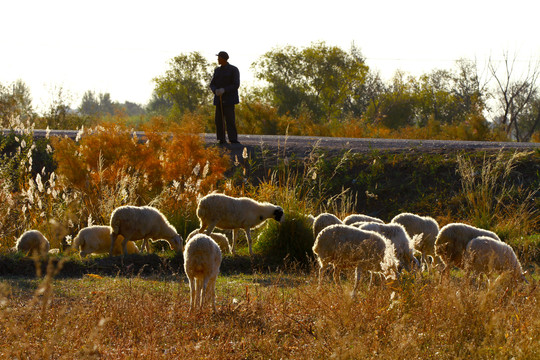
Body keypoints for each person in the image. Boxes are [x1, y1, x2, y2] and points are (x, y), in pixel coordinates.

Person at [210, 51, 240, 145]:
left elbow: (236, 84)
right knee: (218, 120)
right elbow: (212, 84)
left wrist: (224, 90)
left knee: (230, 120)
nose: (218, 59)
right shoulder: (217, 70)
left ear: (223, 59)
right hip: (218, 99)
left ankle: (233, 139)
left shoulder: (233, 70)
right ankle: (221, 139)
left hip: (229, 100)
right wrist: (215, 90)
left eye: (219, 58)